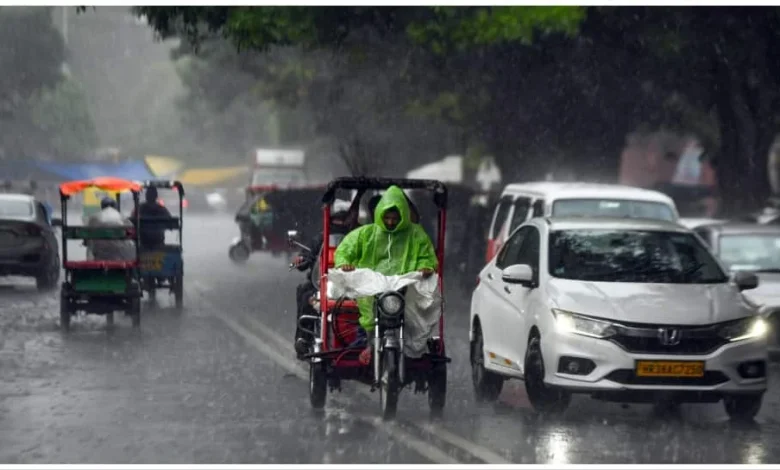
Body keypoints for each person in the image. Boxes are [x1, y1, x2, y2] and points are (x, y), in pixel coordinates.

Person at [334, 185, 438, 365]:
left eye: (395, 218)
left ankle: (411, 348)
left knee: (417, 316)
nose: (390, 222)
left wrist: (426, 267)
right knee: (366, 321)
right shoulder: (366, 234)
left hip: (404, 288)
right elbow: (345, 249)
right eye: (387, 217)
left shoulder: (416, 235)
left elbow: (426, 256)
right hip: (374, 290)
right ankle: (369, 343)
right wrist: (345, 263)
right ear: (379, 214)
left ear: (403, 216)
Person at [291, 202, 358, 359]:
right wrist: (302, 259)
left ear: (351, 219)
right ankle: (304, 338)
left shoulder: (360, 237)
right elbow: (307, 254)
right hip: (323, 282)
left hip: (353, 283)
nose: (339, 224)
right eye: (336, 220)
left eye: (343, 219)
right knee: (305, 294)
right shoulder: (321, 238)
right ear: (330, 219)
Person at [86, 197, 135, 261]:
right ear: (114, 206)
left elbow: (87, 239)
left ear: (102, 206)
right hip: (119, 253)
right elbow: (131, 233)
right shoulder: (122, 217)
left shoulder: (94, 218)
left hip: (100, 253)